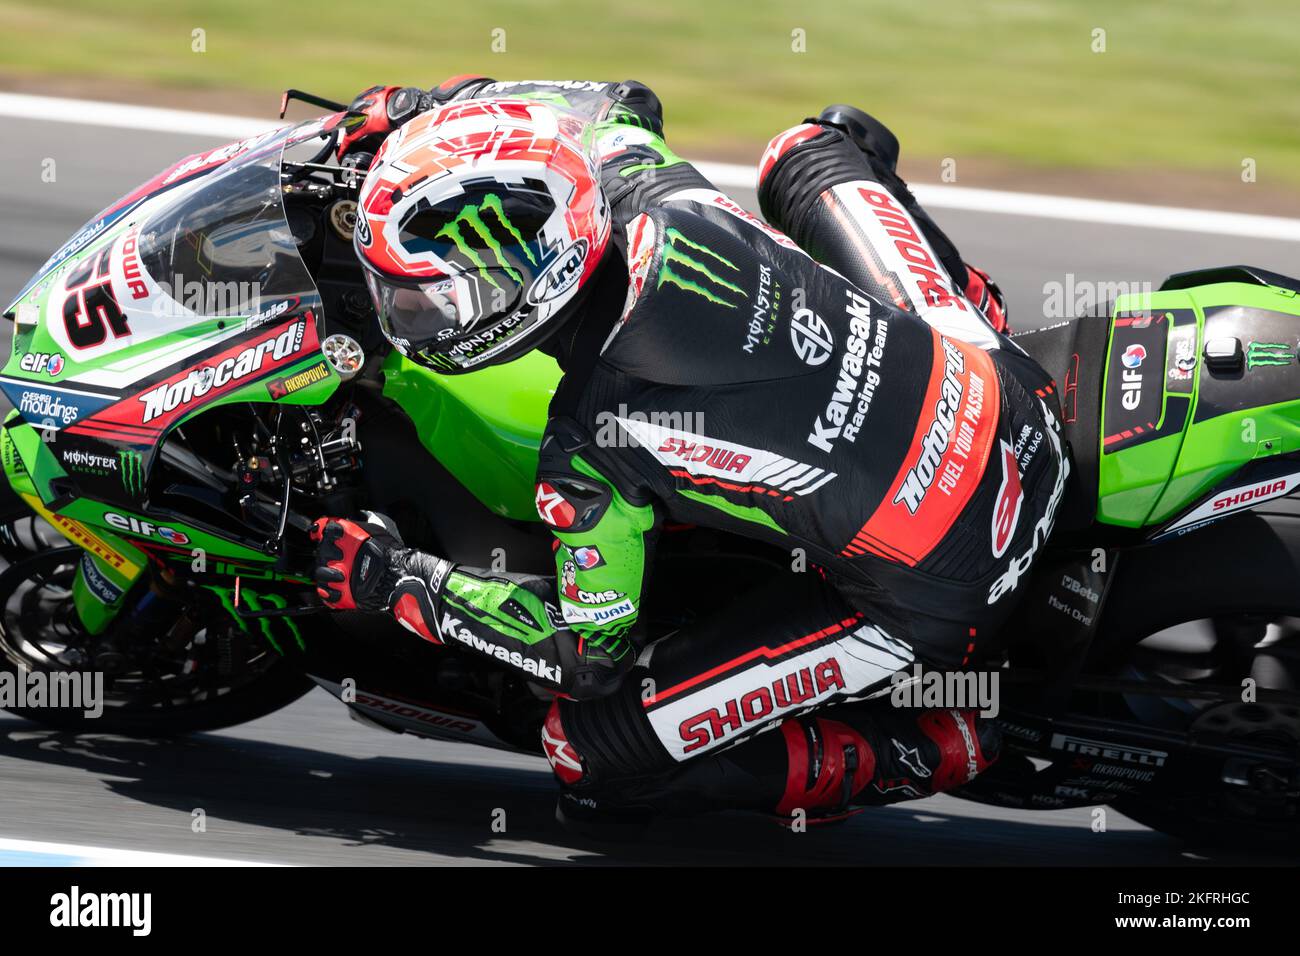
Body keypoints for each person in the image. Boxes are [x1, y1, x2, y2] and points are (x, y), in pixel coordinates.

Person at [311, 76, 1068, 829]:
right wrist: (436, 106)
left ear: (519, 292)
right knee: (807, 150)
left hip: (951, 582)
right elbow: (619, 97)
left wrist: (402, 582)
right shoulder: (634, 173)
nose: (403, 316)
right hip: (1007, 391)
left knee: (587, 752)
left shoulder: (594, 435)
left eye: (421, 300)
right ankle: (971, 296)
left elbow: (585, 656)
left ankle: (935, 740)